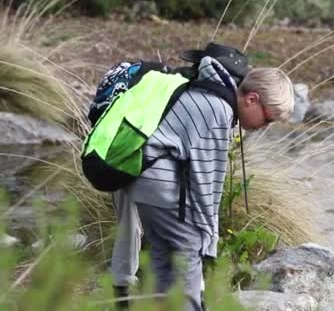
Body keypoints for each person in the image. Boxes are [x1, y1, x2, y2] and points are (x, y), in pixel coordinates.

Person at [109, 53, 294, 310]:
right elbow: (206, 184)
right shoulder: (218, 110)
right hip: (160, 184)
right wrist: (207, 240)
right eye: (268, 119)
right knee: (187, 261)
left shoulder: (207, 92)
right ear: (252, 99)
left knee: (165, 263)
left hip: (143, 180)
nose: (265, 127)